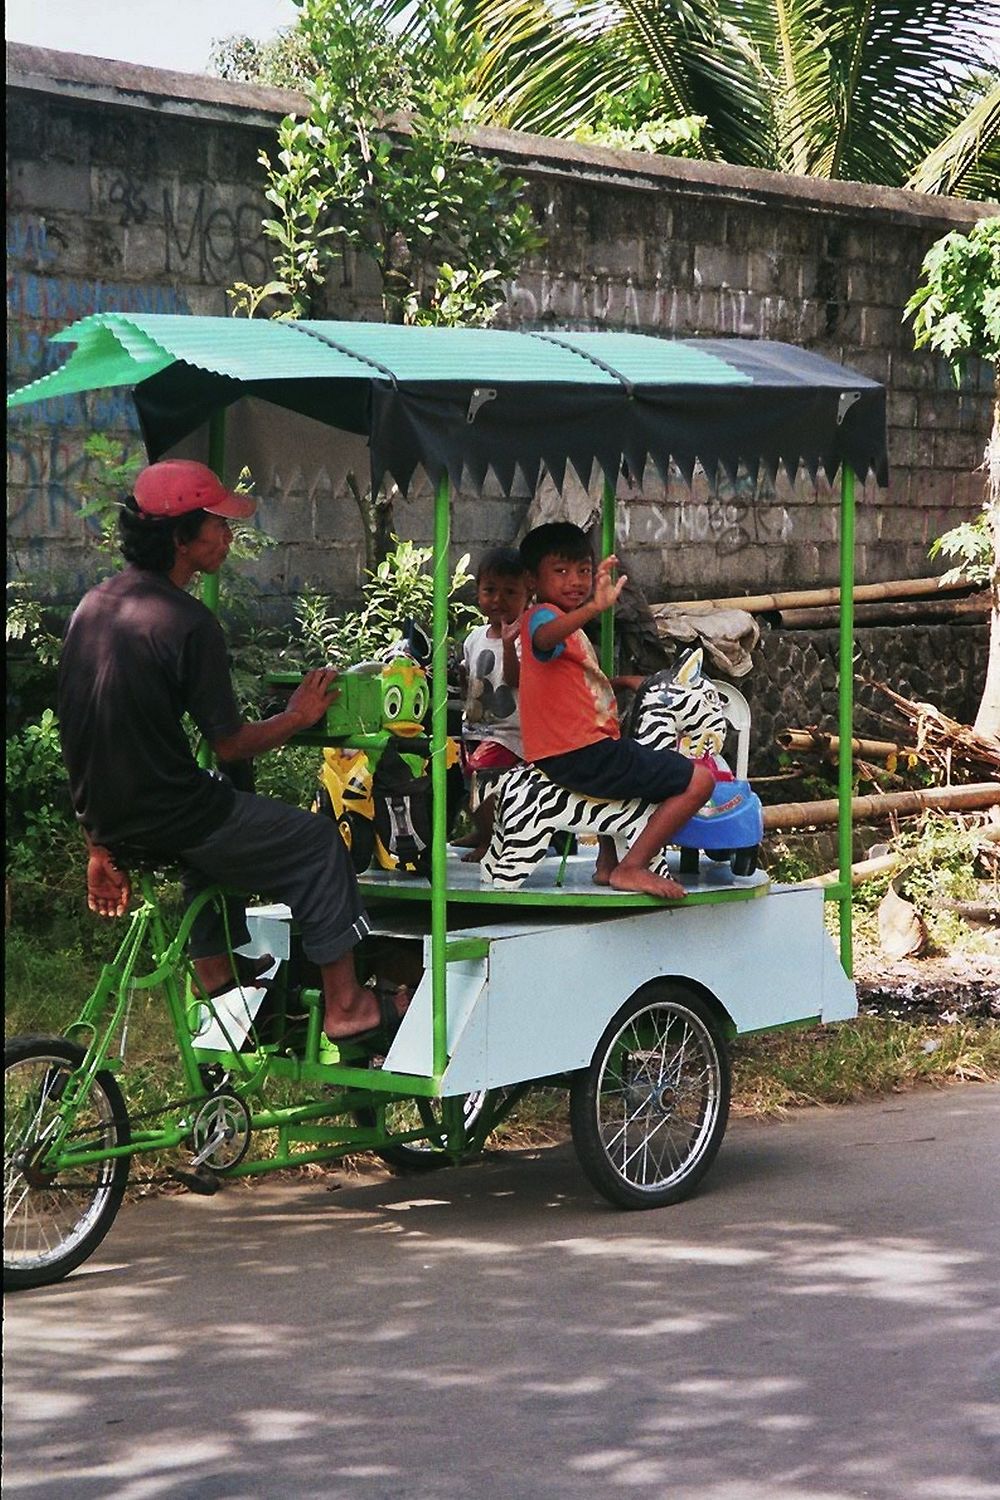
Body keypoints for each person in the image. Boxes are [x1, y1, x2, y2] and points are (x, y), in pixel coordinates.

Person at [57, 458, 406, 1050]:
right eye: (217, 524)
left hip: (115, 819)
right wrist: (298, 716)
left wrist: (98, 840)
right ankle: (347, 1007)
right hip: (173, 812)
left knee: (216, 826)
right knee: (317, 842)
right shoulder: (188, 621)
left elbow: (77, 734)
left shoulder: (93, 607)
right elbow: (230, 741)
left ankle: (220, 984)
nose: (227, 535)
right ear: (180, 538)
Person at [517, 522, 715, 899]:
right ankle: (633, 866)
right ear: (532, 579)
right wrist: (593, 606)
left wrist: (623, 683)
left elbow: (575, 682)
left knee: (630, 759)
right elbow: (545, 638)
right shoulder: (542, 617)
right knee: (699, 780)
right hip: (580, 752)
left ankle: (607, 863)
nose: (574, 581)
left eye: (584, 572)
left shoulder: (564, 626)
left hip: (573, 750)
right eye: (560, 572)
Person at [457, 547, 529, 861]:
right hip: (475, 727)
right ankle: (483, 830)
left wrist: (510, 643)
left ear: (528, 595)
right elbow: (469, 681)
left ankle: (492, 840)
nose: (498, 600)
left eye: (510, 592)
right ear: (478, 592)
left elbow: (517, 680)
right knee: (459, 774)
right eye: (490, 590)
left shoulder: (525, 637)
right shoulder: (474, 637)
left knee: (479, 774)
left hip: (509, 733)